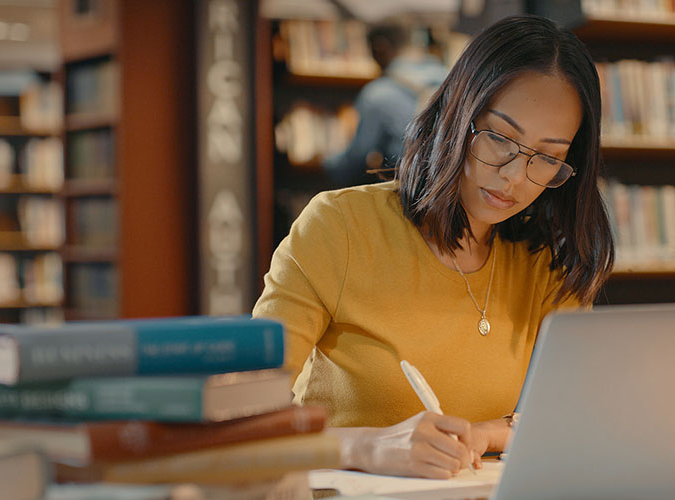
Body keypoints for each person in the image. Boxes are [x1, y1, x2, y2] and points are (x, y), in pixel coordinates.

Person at [253, 14, 613, 479]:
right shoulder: (340, 227)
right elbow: (245, 418)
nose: (514, 177)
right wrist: (368, 446)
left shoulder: (547, 263)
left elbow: (569, 417)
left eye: (547, 158)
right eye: (501, 138)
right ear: (457, 113)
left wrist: (484, 434)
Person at [320, 22, 448, 187]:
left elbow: (356, 159)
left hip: (408, 193)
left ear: (379, 47)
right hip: (449, 191)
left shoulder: (378, 94)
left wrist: (328, 164)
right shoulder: (453, 79)